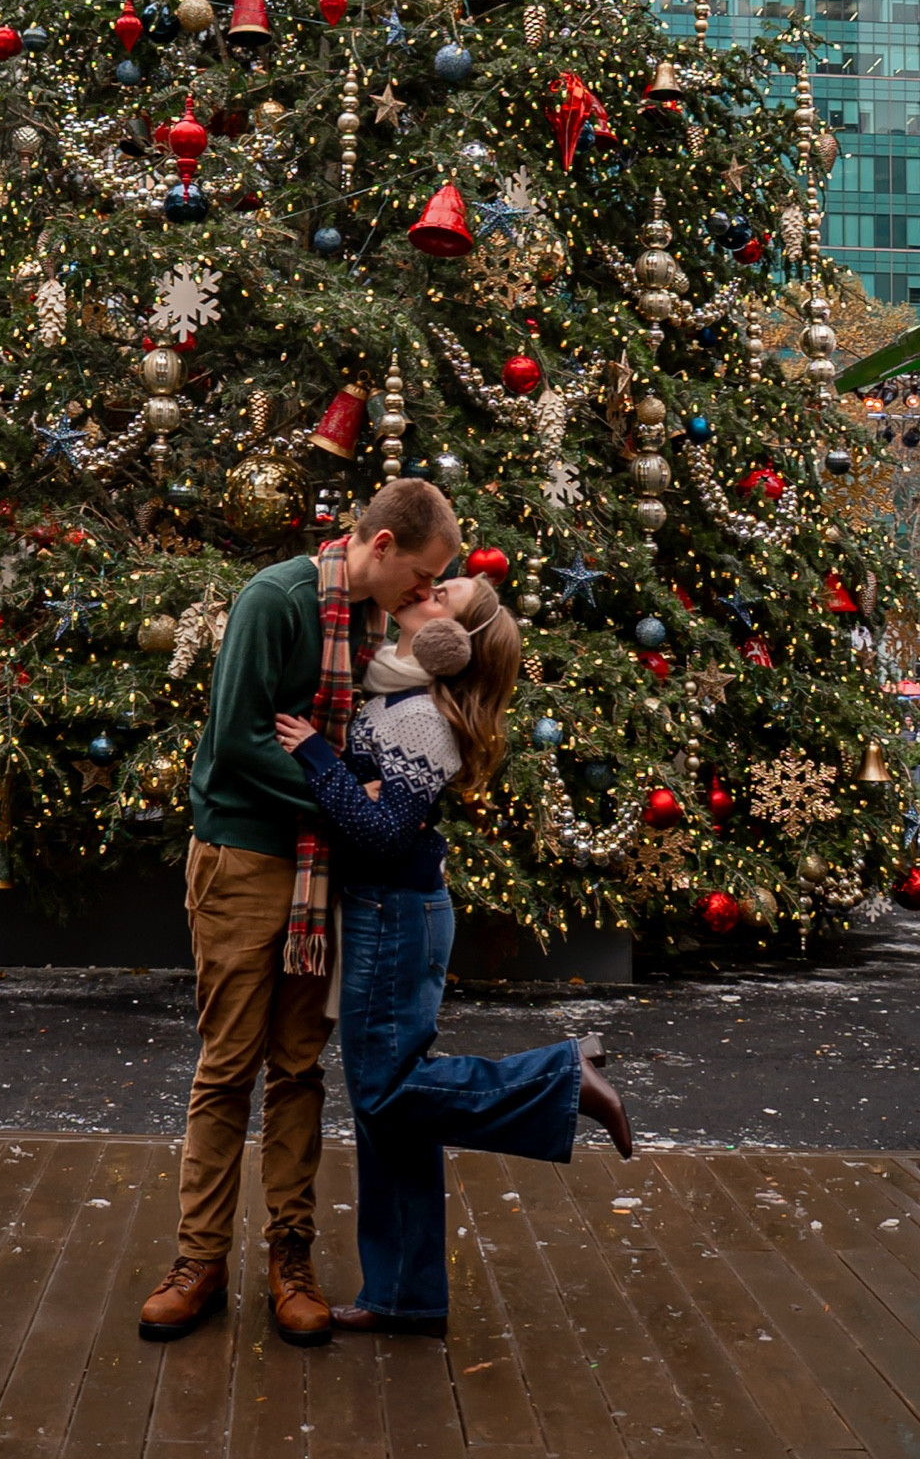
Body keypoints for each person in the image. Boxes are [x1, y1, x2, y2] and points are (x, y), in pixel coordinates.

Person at [139, 477, 463, 1347]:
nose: (425, 598)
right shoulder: (277, 600)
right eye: (422, 577)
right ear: (383, 545)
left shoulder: (373, 627)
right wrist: (343, 790)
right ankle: (198, 1260)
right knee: (228, 1065)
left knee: (297, 1069)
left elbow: (408, 733)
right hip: (246, 858)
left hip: (327, 878)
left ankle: (291, 1259)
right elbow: (237, 737)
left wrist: (365, 790)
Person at [273, 574, 634, 1336]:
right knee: (389, 1114)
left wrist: (317, 757)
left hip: (393, 913)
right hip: (384, 909)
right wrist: (349, 781)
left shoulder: (424, 722)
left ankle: (564, 1076)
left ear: (449, 644)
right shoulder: (394, 692)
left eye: (444, 598)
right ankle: (403, 1293)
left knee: (384, 1093)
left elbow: (379, 832)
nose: (425, 590)